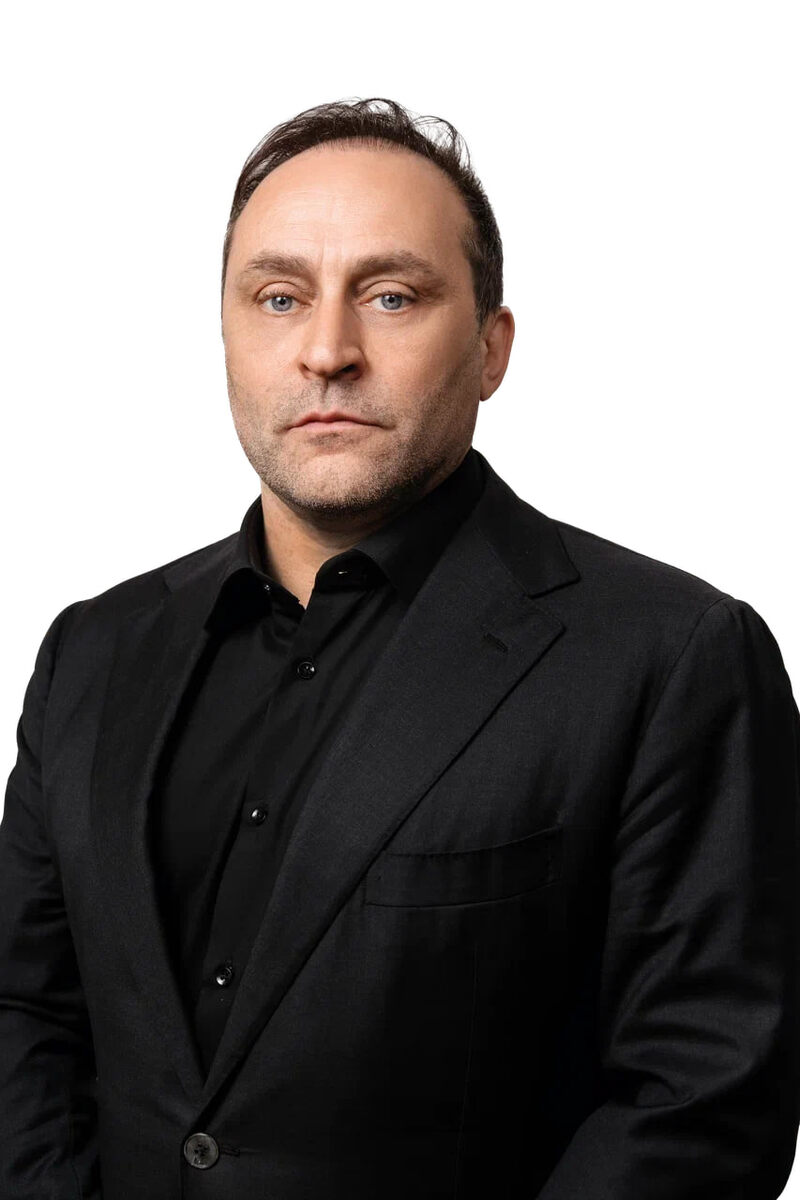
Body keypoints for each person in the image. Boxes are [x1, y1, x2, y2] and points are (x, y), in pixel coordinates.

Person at [1, 96, 798, 1200]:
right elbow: (24, 1015)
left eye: (391, 296)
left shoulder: (672, 658)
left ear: (490, 348)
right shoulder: (91, 652)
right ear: (227, 333)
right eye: (279, 297)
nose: (327, 351)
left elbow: (702, 1102)